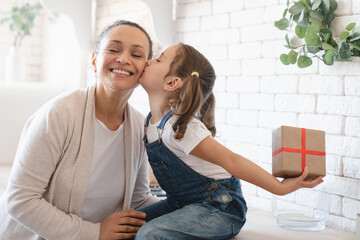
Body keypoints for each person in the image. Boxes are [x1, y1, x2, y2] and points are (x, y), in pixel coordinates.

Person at [134, 43, 324, 240]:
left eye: (158, 60)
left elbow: (232, 161)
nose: (148, 61)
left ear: (172, 83)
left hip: (221, 208)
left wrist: (281, 188)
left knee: (150, 235)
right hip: (181, 204)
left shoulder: (182, 127)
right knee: (130, 227)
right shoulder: (149, 123)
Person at [0, 20, 159, 240]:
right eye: (113, 49)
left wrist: (192, 205)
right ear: (94, 61)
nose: (124, 59)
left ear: (145, 69)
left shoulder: (140, 127)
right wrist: (95, 232)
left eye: (137, 54)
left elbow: (138, 201)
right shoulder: (59, 113)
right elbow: (20, 199)